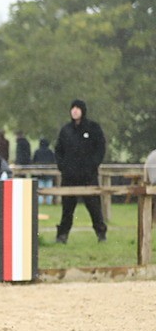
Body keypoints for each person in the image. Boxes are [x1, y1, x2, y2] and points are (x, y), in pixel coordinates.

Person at [55, 98, 107, 243]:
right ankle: (62, 235)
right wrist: (62, 166)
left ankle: (101, 234)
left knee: (94, 207)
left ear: (83, 111)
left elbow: (100, 148)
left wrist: (93, 165)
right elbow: (58, 150)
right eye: (73, 108)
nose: (75, 111)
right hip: (69, 177)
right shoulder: (66, 130)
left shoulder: (93, 128)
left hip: (88, 176)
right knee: (67, 209)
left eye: (78, 108)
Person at [32, 137, 57, 204]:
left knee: (40, 188)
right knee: (49, 188)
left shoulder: (37, 152)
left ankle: (40, 202)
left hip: (39, 173)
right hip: (49, 173)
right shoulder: (50, 152)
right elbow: (54, 161)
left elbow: (34, 161)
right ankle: (49, 202)